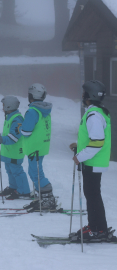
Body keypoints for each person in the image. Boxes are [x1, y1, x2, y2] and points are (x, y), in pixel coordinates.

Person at [69, 80, 111, 240]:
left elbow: (97, 142)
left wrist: (79, 156)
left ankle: (97, 229)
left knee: (92, 195)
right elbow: (93, 138)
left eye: (84, 93)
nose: (82, 95)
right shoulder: (98, 112)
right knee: (93, 195)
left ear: (89, 96)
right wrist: (79, 146)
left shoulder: (93, 115)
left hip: (92, 162)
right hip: (94, 161)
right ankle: (98, 227)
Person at [20, 83, 56, 211]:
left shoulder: (32, 111)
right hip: (41, 146)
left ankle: (47, 198)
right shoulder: (45, 110)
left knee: (36, 173)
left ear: (31, 96)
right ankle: (42, 197)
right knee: (35, 171)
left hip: (34, 147)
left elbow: (26, 131)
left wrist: (20, 127)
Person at [0, 96, 30, 199]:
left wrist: (1, 139)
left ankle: (24, 191)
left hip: (15, 151)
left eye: (3, 105)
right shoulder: (9, 117)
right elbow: (7, 133)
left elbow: (13, 138)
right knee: (10, 170)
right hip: (8, 151)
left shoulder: (17, 119)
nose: (2, 107)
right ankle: (13, 187)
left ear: (9, 106)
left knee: (17, 171)